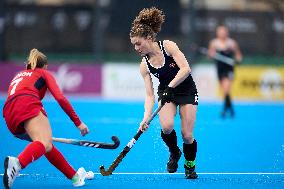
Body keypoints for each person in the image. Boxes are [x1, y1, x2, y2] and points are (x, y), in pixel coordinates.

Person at [2, 49, 94, 189]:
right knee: (44, 142)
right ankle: (18, 163)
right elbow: (60, 98)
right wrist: (78, 123)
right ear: (45, 66)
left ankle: (75, 178)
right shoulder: (44, 73)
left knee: (46, 145)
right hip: (27, 104)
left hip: (8, 113)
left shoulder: (20, 75)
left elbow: (15, 98)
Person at [130, 7, 198, 179]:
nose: (136, 48)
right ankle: (174, 152)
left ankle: (190, 166)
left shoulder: (168, 46)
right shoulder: (144, 65)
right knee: (167, 127)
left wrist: (171, 87)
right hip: (166, 92)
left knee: (187, 135)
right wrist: (145, 118)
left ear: (149, 38)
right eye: (134, 45)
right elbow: (150, 96)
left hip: (186, 89)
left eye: (138, 43)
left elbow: (185, 69)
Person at [208, 25, 242, 118]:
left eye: (223, 31)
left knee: (227, 89)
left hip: (229, 68)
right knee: (224, 90)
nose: (222, 33)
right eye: (220, 31)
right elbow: (210, 55)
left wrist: (238, 60)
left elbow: (238, 55)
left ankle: (224, 110)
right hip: (219, 68)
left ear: (227, 32)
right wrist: (211, 54)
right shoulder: (214, 43)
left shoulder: (232, 43)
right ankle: (230, 109)